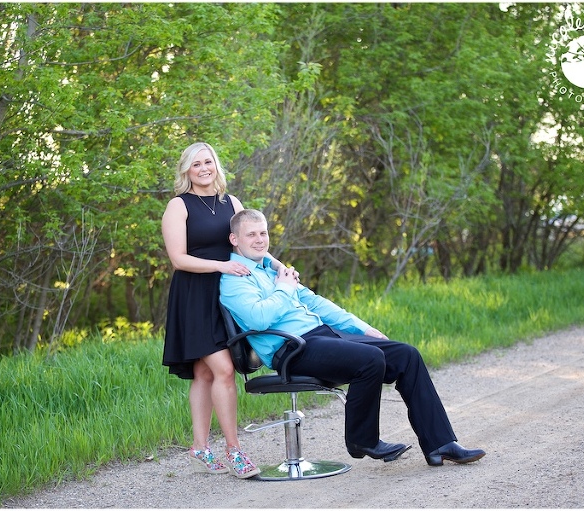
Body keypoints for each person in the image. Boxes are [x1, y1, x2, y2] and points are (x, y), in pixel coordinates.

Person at [219, 209, 486, 466]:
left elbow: (317, 303)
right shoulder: (234, 279)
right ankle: (362, 441)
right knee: (370, 359)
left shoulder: (270, 268)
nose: (259, 240)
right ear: (235, 239)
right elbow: (258, 319)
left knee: (406, 354)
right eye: (251, 234)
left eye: (263, 233)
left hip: (320, 335)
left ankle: (440, 444)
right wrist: (284, 289)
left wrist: (362, 328)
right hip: (291, 349)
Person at [161, 143, 291, 479]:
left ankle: (200, 447)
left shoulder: (231, 202)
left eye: (208, 162)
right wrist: (222, 266)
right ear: (186, 170)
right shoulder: (178, 206)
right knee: (223, 370)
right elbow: (178, 259)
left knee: (205, 373)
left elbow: (250, 241)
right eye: (196, 164)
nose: (203, 169)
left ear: (216, 166)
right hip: (194, 297)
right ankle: (234, 451)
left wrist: (279, 267)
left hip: (228, 296)